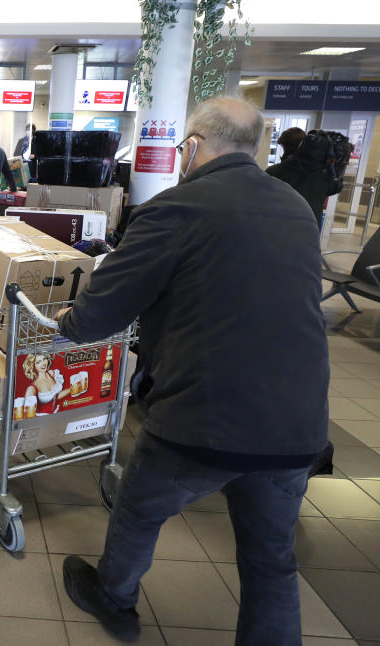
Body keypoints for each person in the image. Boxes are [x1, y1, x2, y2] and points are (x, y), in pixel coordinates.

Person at [54, 97, 328, 645]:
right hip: (298, 422)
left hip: (207, 414)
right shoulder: (297, 206)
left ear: (195, 146)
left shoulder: (178, 207)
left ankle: (114, 597)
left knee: (140, 505)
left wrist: (67, 319)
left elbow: (99, 313)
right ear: (255, 149)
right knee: (271, 559)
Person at [266, 129, 345, 230]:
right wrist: (337, 165)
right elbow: (336, 187)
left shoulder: (275, 171)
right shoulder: (323, 174)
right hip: (311, 229)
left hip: (280, 228)